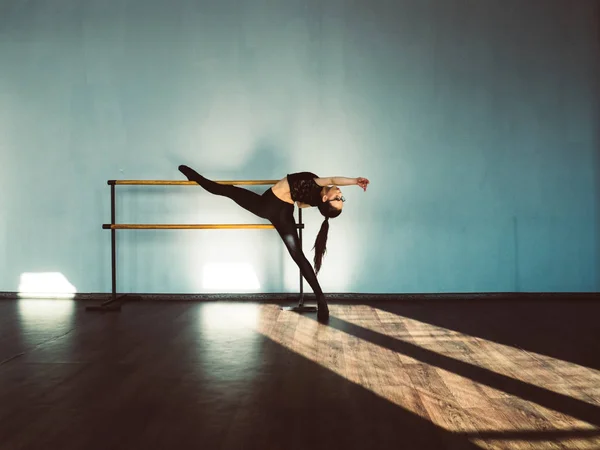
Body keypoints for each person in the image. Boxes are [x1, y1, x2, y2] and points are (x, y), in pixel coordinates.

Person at [178, 165, 370, 322]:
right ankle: (321, 299)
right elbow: (301, 204)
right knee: (298, 257)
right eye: (342, 198)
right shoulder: (316, 198)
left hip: (268, 206)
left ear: (326, 198)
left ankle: (195, 177)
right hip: (284, 213)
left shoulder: (318, 185)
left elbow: (333, 179)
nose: (340, 194)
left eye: (338, 198)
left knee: (227, 190)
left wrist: (355, 181)